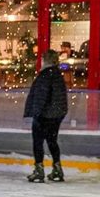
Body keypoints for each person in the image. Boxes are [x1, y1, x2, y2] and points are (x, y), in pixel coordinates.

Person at [23, 50, 68, 182]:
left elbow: (41, 96)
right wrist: (60, 113)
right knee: (52, 141)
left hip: (44, 115)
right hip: (56, 115)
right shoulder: (58, 75)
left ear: (45, 60)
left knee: (38, 141)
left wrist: (36, 113)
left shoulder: (45, 75)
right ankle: (57, 168)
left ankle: (39, 169)